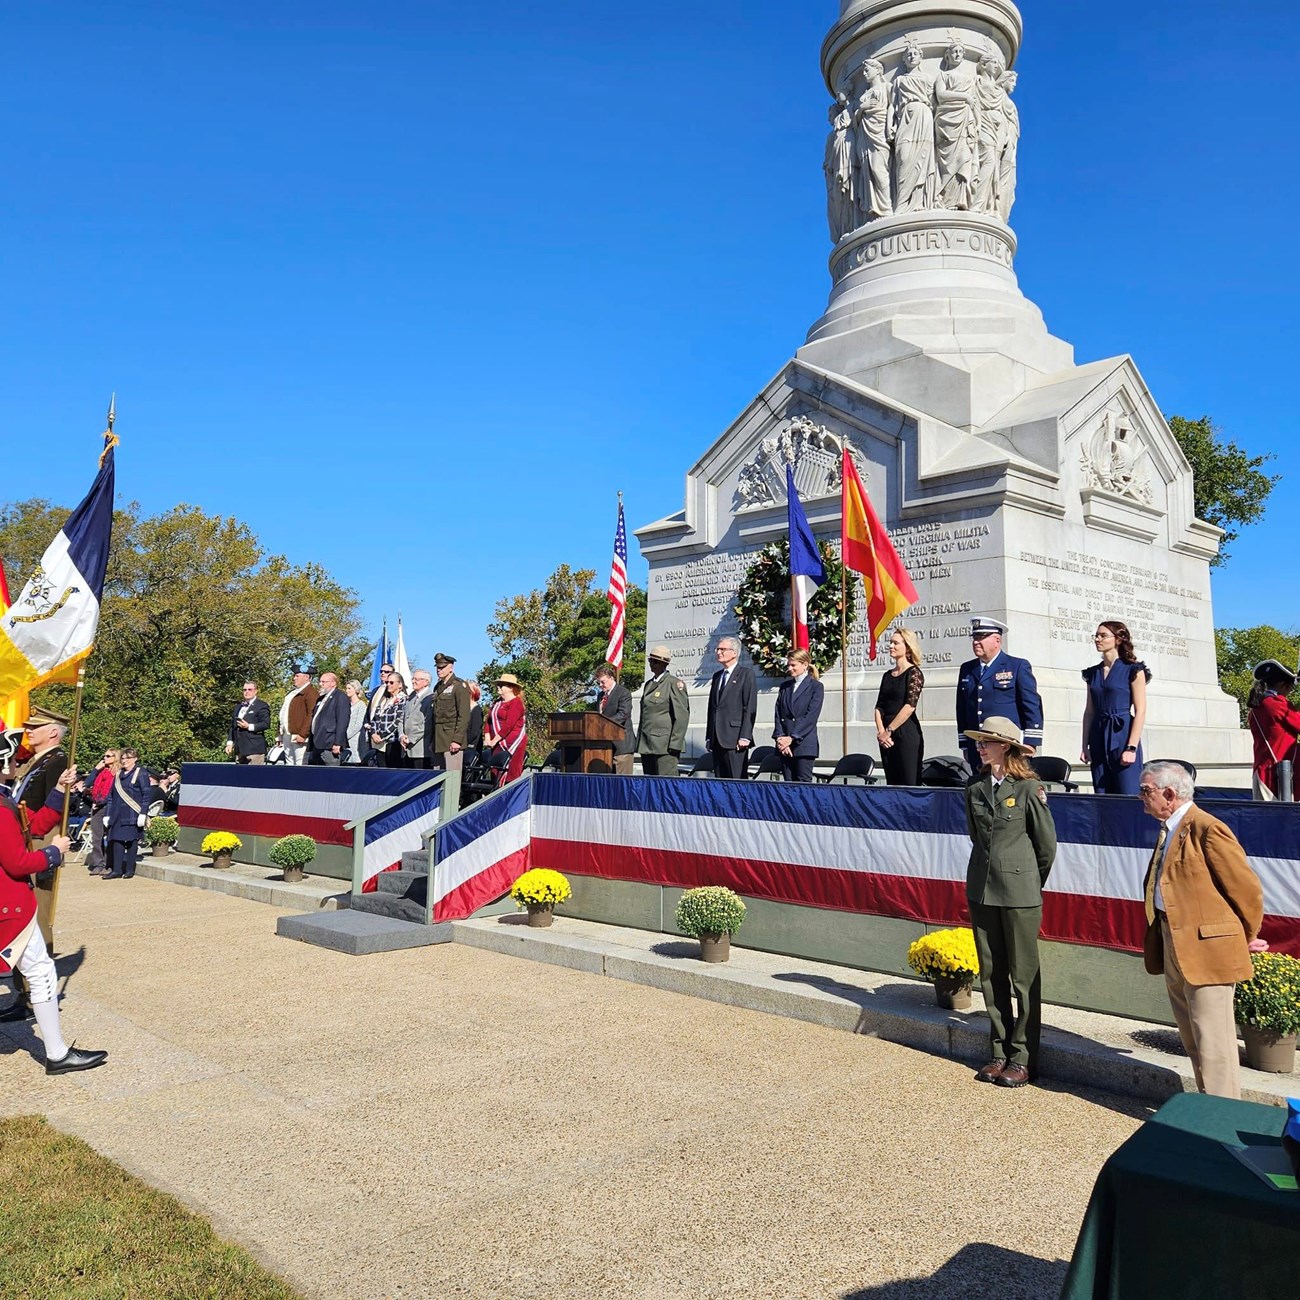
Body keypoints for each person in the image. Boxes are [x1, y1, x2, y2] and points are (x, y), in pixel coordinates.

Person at [1138, 759, 1266, 1098]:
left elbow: (1246, 890)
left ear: (1169, 793)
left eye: (1146, 790)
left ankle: (1224, 1119)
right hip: (1173, 942)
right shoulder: (1171, 827)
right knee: (1193, 1039)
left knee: (1214, 1043)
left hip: (1208, 950)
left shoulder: (1207, 828)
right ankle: (1207, 1111)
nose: (1141, 797)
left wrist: (1244, 937)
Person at [962, 717, 1057, 1089]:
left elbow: (1045, 847)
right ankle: (999, 1051)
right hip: (983, 891)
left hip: (1019, 896)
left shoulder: (1030, 788)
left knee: (1023, 977)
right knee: (991, 974)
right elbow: (977, 838)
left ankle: (1023, 1057)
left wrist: (1028, 884)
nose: (979, 747)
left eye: (987, 741)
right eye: (979, 741)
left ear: (1006, 746)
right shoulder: (974, 788)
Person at [1, 764, 108, 1074]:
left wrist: (60, 790)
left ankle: (57, 1053)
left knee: (40, 969)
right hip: (8, 907)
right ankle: (57, 1054)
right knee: (42, 972)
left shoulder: (5, 799)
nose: (17, 761)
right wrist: (53, 853)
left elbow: (31, 826)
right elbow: (18, 862)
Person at [10, 708, 70, 949]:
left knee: (37, 910)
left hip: (41, 839)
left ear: (53, 731)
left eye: (35, 727)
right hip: (26, 836)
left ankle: (37, 975)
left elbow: (53, 807)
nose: (28, 731)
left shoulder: (58, 761)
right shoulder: (36, 761)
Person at [955, 617, 1043, 770]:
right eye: (974, 637)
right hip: (979, 746)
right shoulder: (967, 669)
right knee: (981, 789)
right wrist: (965, 744)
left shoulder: (1017, 666)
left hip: (1007, 746)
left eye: (982, 637)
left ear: (997, 640)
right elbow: (962, 709)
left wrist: (1030, 741)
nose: (976, 642)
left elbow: (1031, 705)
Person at [1080, 621, 1150, 794]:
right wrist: (1084, 745)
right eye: (1096, 635)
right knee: (1102, 792)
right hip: (1098, 734)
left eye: (1103, 635)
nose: (1097, 639)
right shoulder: (1092, 673)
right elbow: (1089, 712)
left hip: (1123, 733)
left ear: (1118, 639)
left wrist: (1131, 747)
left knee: (1128, 792)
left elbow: (1140, 711)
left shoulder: (1134, 670)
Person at [874, 628, 925, 785]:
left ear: (907, 647)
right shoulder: (887, 675)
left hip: (906, 733)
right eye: (890, 642)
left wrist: (889, 730)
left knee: (908, 782)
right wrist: (882, 732)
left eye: (895, 643)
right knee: (892, 781)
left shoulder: (914, 673)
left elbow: (910, 706)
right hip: (886, 737)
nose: (890, 646)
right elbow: (879, 707)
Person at [1247, 660, 1300, 799]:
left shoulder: (1257, 706)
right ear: (1283, 685)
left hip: (1263, 772)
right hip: (1277, 775)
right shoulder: (1278, 704)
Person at [706, 637, 757, 778]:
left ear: (734, 653)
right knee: (720, 783)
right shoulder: (717, 676)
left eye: (723, 649)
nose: (718, 652)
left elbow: (749, 708)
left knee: (736, 781)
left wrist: (745, 736)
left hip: (735, 740)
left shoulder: (746, 675)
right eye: (718, 649)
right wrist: (709, 736)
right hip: (717, 740)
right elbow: (712, 708)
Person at [637, 645, 690, 776]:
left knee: (666, 786)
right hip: (647, 743)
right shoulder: (649, 684)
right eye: (651, 661)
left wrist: (675, 744)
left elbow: (681, 716)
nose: (652, 664)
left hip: (665, 746)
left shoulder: (674, 684)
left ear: (664, 663)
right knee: (650, 785)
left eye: (656, 661)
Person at [774, 650, 824, 782]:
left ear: (805, 665)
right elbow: (778, 713)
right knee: (788, 786)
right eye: (789, 665)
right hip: (785, 746)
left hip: (803, 744)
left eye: (793, 665)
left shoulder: (816, 687)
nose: (789, 668)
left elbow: (811, 716)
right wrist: (780, 738)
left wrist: (792, 738)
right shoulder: (785, 687)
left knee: (803, 787)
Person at [103, 748, 151, 880]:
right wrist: (107, 814)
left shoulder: (141, 773)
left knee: (131, 842)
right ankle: (117, 870)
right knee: (116, 841)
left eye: (127, 758)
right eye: (123, 758)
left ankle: (129, 869)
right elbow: (111, 796)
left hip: (132, 812)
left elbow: (146, 794)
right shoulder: (118, 775)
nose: (124, 761)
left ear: (135, 759)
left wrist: (143, 813)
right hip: (117, 813)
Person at [483, 673, 528, 787]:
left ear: (510, 688)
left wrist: (495, 740)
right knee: (495, 772)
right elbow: (489, 721)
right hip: (496, 744)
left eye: (502, 685)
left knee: (510, 774)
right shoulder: (497, 703)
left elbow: (509, 725)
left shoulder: (516, 703)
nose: (498, 687)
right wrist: (488, 737)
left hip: (512, 743)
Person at [431, 654, 471, 772]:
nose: (439, 670)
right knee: (438, 775)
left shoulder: (459, 686)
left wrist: (457, 740)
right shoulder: (438, 687)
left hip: (451, 738)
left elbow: (464, 715)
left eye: (442, 667)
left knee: (452, 775)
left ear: (451, 668)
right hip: (438, 739)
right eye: (437, 667)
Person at [593, 663, 635, 775]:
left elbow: (623, 714)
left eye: (603, 682)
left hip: (622, 746)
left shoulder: (623, 693)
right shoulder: (600, 696)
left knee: (622, 784)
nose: (601, 685)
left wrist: (605, 724)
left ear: (611, 678)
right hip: (605, 748)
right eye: (598, 683)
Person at [83, 747, 119, 875]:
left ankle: (109, 863)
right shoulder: (101, 772)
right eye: (104, 756)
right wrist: (95, 770)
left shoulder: (117, 773)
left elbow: (111, 792)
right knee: (96, 837)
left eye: (108, 756)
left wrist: (100, 803)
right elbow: (86, 784)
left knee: (110, 837)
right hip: (97, 806)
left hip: (110, 806)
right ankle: (98, 863)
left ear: (116, 757)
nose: (105, 758)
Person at [308, 672, 352, 765]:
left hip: (330, 743)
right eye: (320, 682)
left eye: (324, 682)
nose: (320, 684)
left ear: (333, 683)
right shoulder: (321, 699)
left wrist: (338, 743)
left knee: (331, 773)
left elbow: (342, 721)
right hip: (318, 742)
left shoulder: (340, 697)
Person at [278, 667, 319, 766]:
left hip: (299, 735)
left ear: (307, 677)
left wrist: (303, 734)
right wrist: (279, 734)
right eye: (294, 676)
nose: (294, 678)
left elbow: (312, 714)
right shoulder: (292, 693)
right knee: (289, 764)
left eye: (297, 676)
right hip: (287, 734)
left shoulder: (311, 693)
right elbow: (284, 713)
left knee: (300, 764)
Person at [226, 681, 271, 764]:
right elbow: (233, 726)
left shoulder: (261, 705)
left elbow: (265, 724)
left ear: (255, 691)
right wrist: (229, 743)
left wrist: (248, 726)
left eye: (250, 689)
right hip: (239, 750)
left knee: (255, 776)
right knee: (239, 776)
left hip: (254, 749)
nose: (247, 692)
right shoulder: (238, 707)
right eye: (245, 690)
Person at [368, 672, 406, 767]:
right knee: (381, 770)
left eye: (391, 682)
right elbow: (375, 718)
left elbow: (398, 720)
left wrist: (382, 736)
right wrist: (373, 733)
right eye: (387, 682)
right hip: (378, 743)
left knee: (392, 770)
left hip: (392, 742)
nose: (388, 684)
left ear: (400, 684)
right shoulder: (384, 700)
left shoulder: (403, 699)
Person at [400, 668, 433, 768]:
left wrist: (410, 739)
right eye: (413, 679)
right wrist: (401, 735)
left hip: (420, 750)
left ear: (426, 682)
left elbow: (427, 724)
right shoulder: (411, 697)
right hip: (405, 749)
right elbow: (402, 718)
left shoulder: (431, 698)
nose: (413, 681)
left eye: (417, 679)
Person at [344, 680, 368, 765]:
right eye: (346, 688)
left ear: (356, 689)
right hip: (345, 740)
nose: (347, 690)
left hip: (355, 740)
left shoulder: (361, 705)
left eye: (349, 688)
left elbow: (358, 724)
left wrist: (346, 735)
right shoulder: (346, 704)